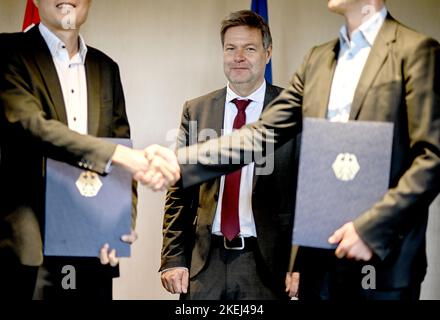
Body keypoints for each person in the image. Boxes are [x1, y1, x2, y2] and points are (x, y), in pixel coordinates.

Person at [148, 0, 440, 300]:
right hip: (319, 267)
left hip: (382, 262)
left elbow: (432, 157)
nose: (239, 56)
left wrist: (372, 227)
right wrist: (178, 161)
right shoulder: (318, 59)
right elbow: (260, 135)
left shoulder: (417, 51)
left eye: (249, 48)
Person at [0, 0, 179, 300]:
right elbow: (33, 127)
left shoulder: (106, 68)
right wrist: (116, 155)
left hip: (93, 249)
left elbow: (122, 144)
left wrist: (120, 224)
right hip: (28, 252)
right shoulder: (8, 52)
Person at [160, 10, 298, 300]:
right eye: (230, 48)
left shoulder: (293, 111)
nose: (239, 57)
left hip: (269, 267)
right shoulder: (196, 110)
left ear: (268, 53)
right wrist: (173, 258)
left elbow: (309, 194)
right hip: (205, 263)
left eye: (249, 48)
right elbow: (178, 189)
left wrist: (300, 263)